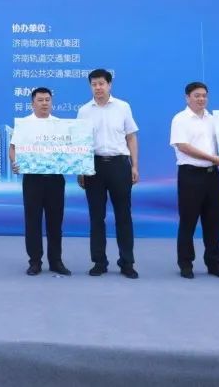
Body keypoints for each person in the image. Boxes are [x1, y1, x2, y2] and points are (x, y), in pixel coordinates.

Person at [77, 68, 139, 279]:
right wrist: (82, 169)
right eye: (94, 84)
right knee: (96, 217)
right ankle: (99, 262)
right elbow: (81, 142)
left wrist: (134, 166)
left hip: (119, 164)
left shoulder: (123, 107)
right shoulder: (84, 111)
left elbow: (131, 137)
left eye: (101, 83)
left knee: (123, 215)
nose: (98, 87)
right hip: (93, 166)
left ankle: (127, 262)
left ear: (109, 85)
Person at [169, 82, 219, 280]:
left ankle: (214, 264)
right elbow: (183, 146)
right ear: (187, 97)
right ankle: (185, 263)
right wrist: (213, 158)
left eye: (204, 95)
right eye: (197, 95)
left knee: (213, 221)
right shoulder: (180, 119)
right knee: (188, 220)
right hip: (190, 175)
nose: (201, 99)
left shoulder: (213, 120)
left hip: (212, 175)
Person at [9, 87, 71, 276]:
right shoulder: (24, 124)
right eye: (40, 100)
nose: (44, 103)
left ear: (52, 102)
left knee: (55, 222)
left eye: (47, 100)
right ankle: (35, 261)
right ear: (32, 103)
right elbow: (13, 148)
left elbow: (69, 149)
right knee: (33, 221)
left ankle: (56, 261)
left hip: (55, 179)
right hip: (32, 180)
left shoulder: (60, 125)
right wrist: (15, 163)